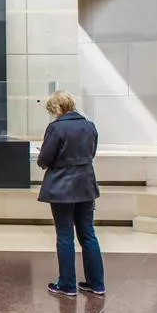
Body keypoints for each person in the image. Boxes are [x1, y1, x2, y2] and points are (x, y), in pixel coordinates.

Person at [37, 91, 105, 298]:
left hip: (62, 187)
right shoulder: (89, 126)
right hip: (85, 185)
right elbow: (91, 153)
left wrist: (45, 157)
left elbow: (44, 159)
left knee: (65, 235)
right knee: (88, 234)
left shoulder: (56, 128)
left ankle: (67, 284)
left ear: (56, 108)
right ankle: (97, 283)